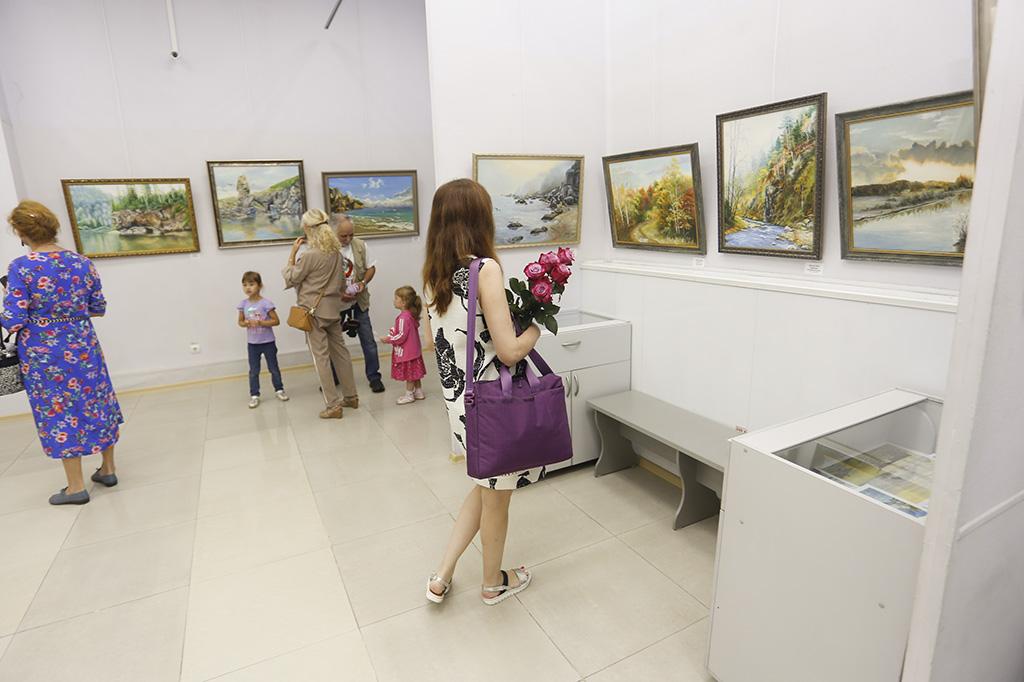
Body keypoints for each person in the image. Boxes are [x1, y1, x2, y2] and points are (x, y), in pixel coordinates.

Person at [422, 179, 543, 606]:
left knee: (484, 486)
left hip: (462, 404)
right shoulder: (484, 270)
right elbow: (508, 351)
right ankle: (493, 583)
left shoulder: (432, 277)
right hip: (495, 403)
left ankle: (442, 575)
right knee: (496, 499)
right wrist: (534, 328)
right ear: (481, 218)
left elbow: (438, 344)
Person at [0, 200, 123, 505]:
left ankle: (75, 487)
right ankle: (108, 469)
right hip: (83, 345)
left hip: (43, 353)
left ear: (21, 233)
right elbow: (98, 308)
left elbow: (13, 319)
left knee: (59, 410)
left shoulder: (21, 267)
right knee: (97, 402)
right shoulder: (82, 262)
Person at [283, 209, 359, 419]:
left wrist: (292, 254)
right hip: (333, 310)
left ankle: (333, 405)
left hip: (313, 312)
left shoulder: (309, 255)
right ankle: (351, 397)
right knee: (341, 354)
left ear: (308, 229)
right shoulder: (336, 253)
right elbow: (342, 284)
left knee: (321, 359)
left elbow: (291, 278)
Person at [337, 216, 385, 393]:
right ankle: (333, 377)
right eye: (343, 236)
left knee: (369, 341)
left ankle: (374, 377)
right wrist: (339, 293)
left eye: (351, 234)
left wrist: (363, 283)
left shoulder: (360, 245)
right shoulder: (326, 249)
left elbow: (371, 268)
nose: (348, 239)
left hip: (359, 302)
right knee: (333, 342)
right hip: (336, 304)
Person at [237, 271, 288, 408]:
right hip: (252, 344)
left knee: (273, 368)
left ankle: (279, 389)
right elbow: (240, 322)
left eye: (251, 284)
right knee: (254, 371)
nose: (248, 288)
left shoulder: (266, 303)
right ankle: (254, 395)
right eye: (244, 285)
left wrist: (261, 323)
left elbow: (276, 321)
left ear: (259, 285)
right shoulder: (243, 304)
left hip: (268, 342)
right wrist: (246, 323)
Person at [379, 286, 426, 405]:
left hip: (407, 353)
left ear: (404, 302)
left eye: (396, 298)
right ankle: (418, 391)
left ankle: (409, 395)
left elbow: (401, 336)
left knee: (410, 375)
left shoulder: (403, 318)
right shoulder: (411, 315)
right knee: (415, 373)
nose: (394, 300)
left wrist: (388, 339)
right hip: (414, 351)